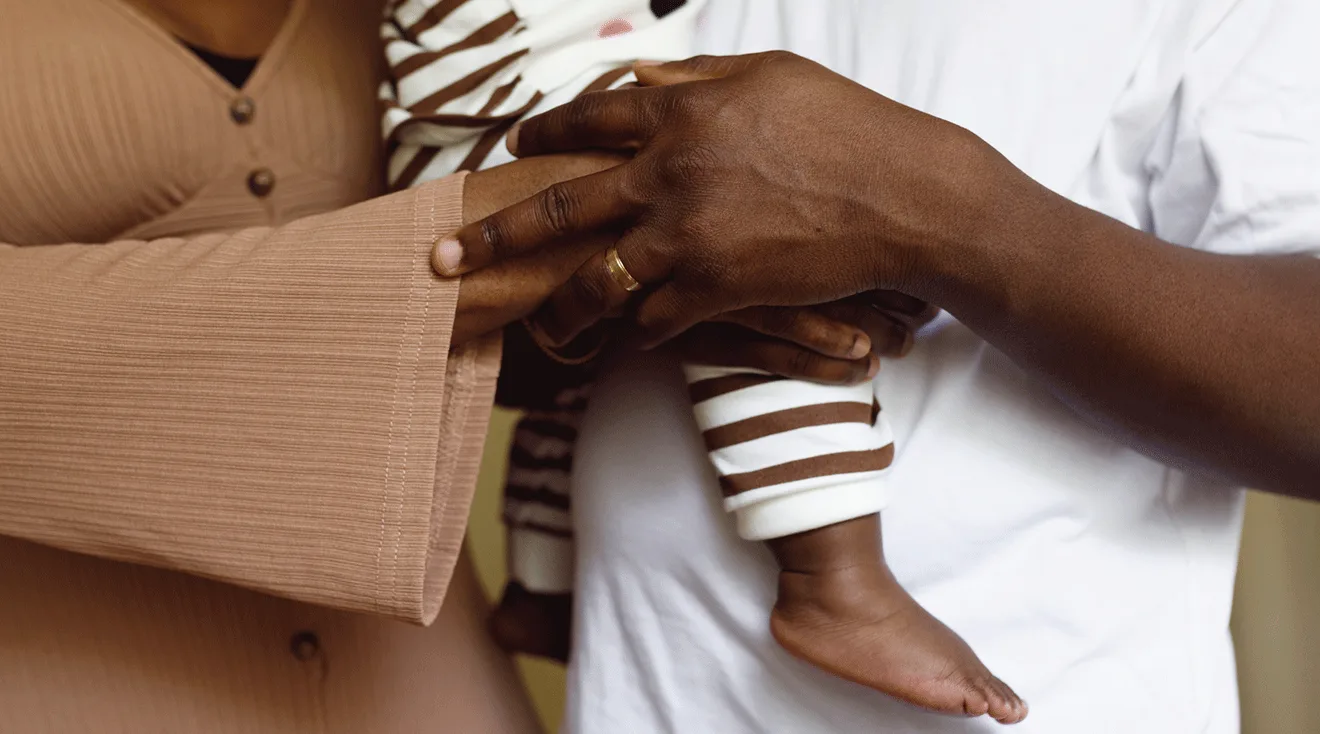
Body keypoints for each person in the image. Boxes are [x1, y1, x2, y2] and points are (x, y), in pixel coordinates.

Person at [0, 1, 913, 730]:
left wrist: (638, 286)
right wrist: (465, 251)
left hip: (419, 677)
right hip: (64, 674)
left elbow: (490, 366)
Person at [443, 0, 1320, 731]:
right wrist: (648, 289)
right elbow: (477, 333)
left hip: (1060, 696)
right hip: (643, 696)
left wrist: (937, 207)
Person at [386, 0, 1031, 721]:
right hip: (511, 128)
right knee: (752, 260)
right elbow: (495, 76)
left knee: (604, 365)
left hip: (526, 106)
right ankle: (834, 582)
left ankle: (539, 584)